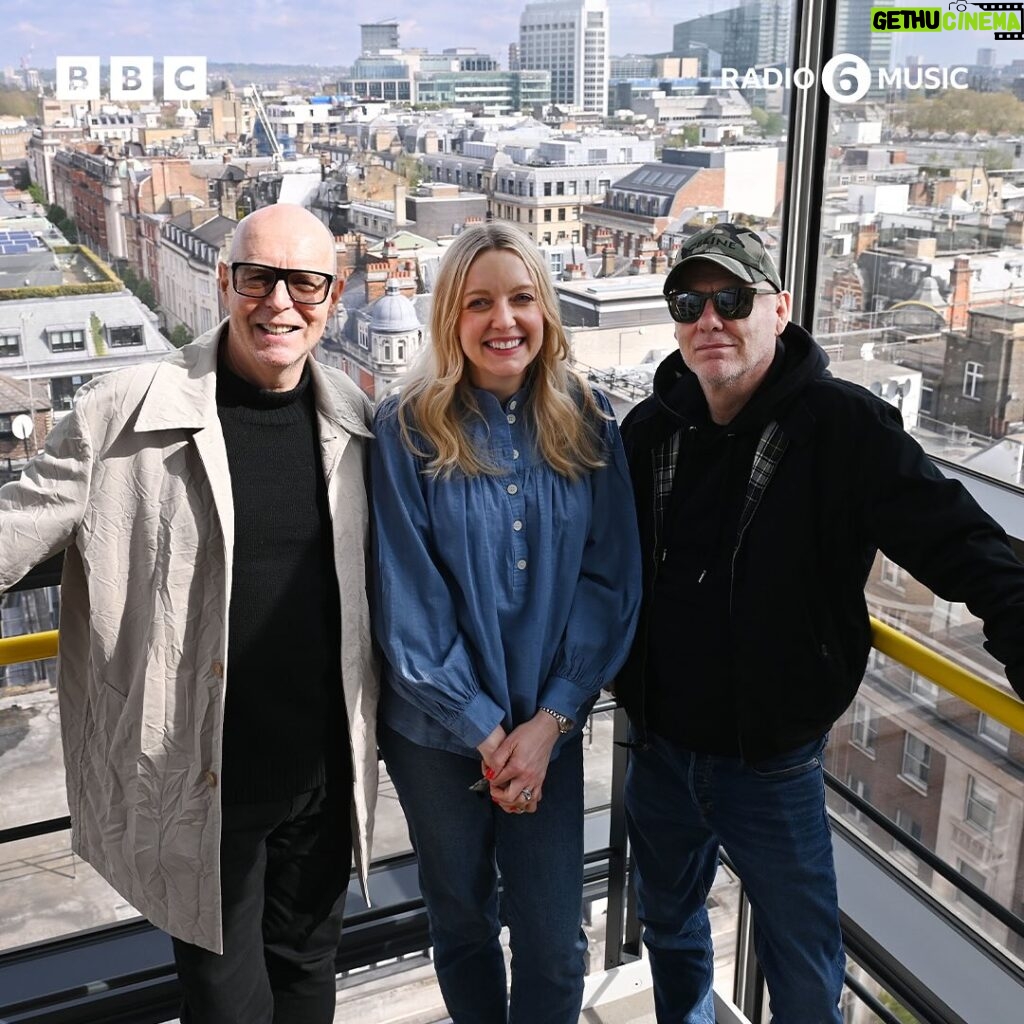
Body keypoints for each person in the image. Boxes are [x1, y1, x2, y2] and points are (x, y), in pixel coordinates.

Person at [617, 221, 1024, 1023]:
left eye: (731, 298)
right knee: (669, 928)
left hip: (770, 761)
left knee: (804, 969)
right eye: (688, 301)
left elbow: (960, 542)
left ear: (780, 306)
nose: (709, 319)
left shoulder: (843, 428)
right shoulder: (649, 432)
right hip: (662, 746)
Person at [0, 203, 380, 1024]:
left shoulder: (353, 419)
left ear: (334, 295)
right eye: (258, 278)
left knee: (311, 975)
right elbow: (16, 525)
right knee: (224, 1002)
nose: (280, 302)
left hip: (322, 776)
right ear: (225, 283)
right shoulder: (125, 410)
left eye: (304, 282)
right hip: (203, 781)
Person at [371, 222, 641, 1024]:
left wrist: (548, 724)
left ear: (547, 311)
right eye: (479, 301)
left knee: (557, 941)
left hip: (546, 733)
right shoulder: (407, 428)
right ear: (450, 318)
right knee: (461, 923)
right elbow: (405, 597)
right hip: (436, 737)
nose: (504, 320)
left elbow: (609, 581)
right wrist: (490, 735)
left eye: (522, 298)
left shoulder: (588, 421)